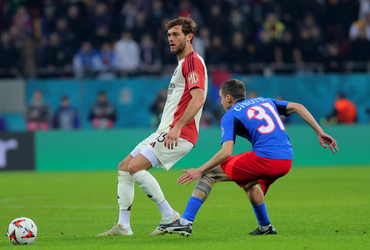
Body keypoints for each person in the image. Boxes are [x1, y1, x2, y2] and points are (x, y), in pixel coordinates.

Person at [159, 79, 338, 236]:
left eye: (221, 98)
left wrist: (199, 170)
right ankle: (265, 226)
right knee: (247, 182)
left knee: (209, 174)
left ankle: (185, 222)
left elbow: (226, 152)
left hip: (266, 159)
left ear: (228, 98)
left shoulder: (230, 114)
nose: (221, 103)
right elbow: (298, 107)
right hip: (287, 158)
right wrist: (319, 132)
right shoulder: (265, 101)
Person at [97, 16, 208, 236]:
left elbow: (199, 98)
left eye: (176, 34)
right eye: (169, 35)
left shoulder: (193, 62)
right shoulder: (183, 64)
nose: (171, 39)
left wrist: (177, 127)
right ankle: (123, 226)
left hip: (179, 132)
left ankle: (170, 217)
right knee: (124, 166)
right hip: (165, 130)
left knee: (135, 167)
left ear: (189, 36)